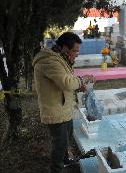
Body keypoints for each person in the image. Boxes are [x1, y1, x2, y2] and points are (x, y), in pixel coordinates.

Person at [33, 32, 95, 173]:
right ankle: (57, 169)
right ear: (65, 48)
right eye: (75, 51)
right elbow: (66, 82)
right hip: (55, 112)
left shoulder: (61, 59)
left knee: (65, 140)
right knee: (59, 145)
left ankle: (65, 162)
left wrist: (79, 86)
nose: (76, 55)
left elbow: (65, 83)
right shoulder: (49, 61)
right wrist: (83, 79)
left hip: (64, 109)